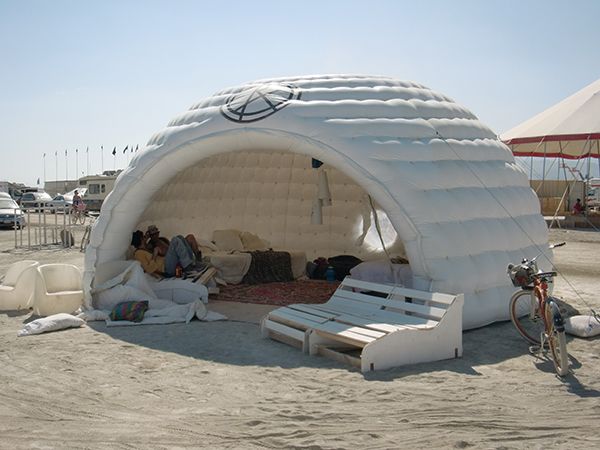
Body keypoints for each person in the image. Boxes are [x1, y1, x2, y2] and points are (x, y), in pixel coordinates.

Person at [131, 228, 200, 278]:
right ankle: (188, 267)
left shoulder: (144, 248)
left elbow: (145, 243)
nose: (145, 237)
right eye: (143, 237)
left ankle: (192, 263)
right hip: (166, 268)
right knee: (175, 240)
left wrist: (147, 236)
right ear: (141, 239)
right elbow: (149, 269)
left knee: (180, 237)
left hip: (167, 262)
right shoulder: (138, 254)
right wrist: (154, 255)